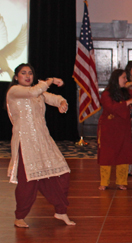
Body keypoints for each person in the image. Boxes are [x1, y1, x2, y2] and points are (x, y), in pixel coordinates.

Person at [6, 63, 75, 227]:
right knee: (28, 181)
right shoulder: (15, 91)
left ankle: (61, 211)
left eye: (30, 73)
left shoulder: (39, 92)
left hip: (43, 139)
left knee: (61, 173)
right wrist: (50, 80)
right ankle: (20, 216)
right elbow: (33, 91)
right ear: (16, 77)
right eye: (23, 73)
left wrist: (62, 102)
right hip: (25, 142)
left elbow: (52, 97)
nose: (28, 76)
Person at [97, 69, 132, 191]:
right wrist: (128, 102)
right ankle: (104, 182)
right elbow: (111, 108)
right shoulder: (106, 94)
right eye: (124, 77)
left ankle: (121, 182)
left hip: (123, 128)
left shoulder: (125, 92)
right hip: (109, 129)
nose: (126, 80)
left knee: (123, 154)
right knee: (107, 155)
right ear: (116, 79)